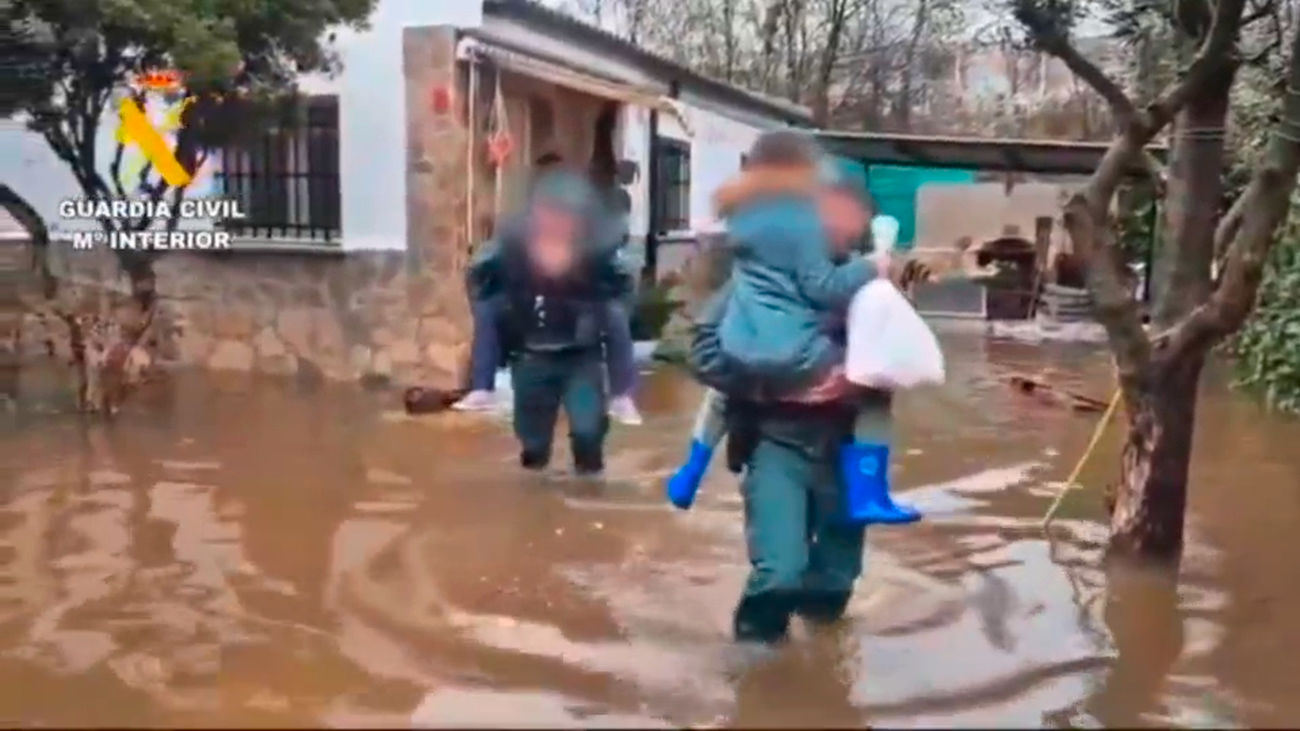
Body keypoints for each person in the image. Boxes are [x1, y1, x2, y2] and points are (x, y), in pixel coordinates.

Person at [681, 157, 903, 644]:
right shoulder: (755, 281)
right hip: (774, 443)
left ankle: (824, 677)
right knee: (779, 573)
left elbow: (904, 361)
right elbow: (698, 353)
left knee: (833, 585)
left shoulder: (868, 284)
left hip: (847, 449)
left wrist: (854, 381)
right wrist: (771, 384)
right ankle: (752, 675)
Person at [673, 132, 919, 525]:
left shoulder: (744, 230)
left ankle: (692, 467)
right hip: (779, 422)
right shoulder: (807, 237)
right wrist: (875, 266)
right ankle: (870, 493)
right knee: (874, 395)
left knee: (721, 388)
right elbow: (829, 296)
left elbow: (703, 345)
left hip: (776, 389)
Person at [454, 154, 643, 426]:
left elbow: (624, 277)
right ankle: (482, 389)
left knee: (612, 315)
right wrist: (484, 302)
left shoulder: (591, 237)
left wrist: (616, 310)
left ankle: (621, 396)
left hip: (579, 306)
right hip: (528, 303)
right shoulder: (518, 234)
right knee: (489, 310)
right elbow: (479, 269)